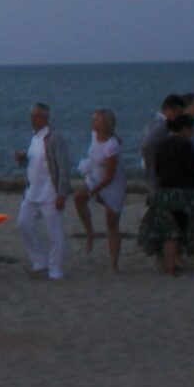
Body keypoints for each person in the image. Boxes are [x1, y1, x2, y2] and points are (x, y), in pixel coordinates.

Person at [137, 111, 194, 276]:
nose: (192, 132)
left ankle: (170, 268)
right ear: (185, 128)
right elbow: (191, 169)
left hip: (165, 192)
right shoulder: (186, 144)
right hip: (186, 192)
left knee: (169, 233)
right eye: (191, 128)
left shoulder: (162, 145)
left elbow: (156, 169)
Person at [14, 104, 69, 280]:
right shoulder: (35, 138)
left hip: (50, 193)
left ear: (46, 117)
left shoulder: (54, 137)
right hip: (32, 192)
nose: (33, 119)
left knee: (55, 232)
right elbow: (35, 163)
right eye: (32, 115)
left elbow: (63, 166)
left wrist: (62, 193)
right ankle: (39, 261)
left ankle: (55, 270)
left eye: (37, 115)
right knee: (23, 224)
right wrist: (22, 159)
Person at [72, 110, 125, 271]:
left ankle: (114, 263)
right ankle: (90, 233)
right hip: (95, 176)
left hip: (112, 185)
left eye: (96, 119)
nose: (93, 121)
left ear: (105, 123)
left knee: (112, 224)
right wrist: (89, 187)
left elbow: (109, 176)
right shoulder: (94, 135)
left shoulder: (112, 145)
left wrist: (93, 192)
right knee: (78, 198)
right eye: (93, 119)